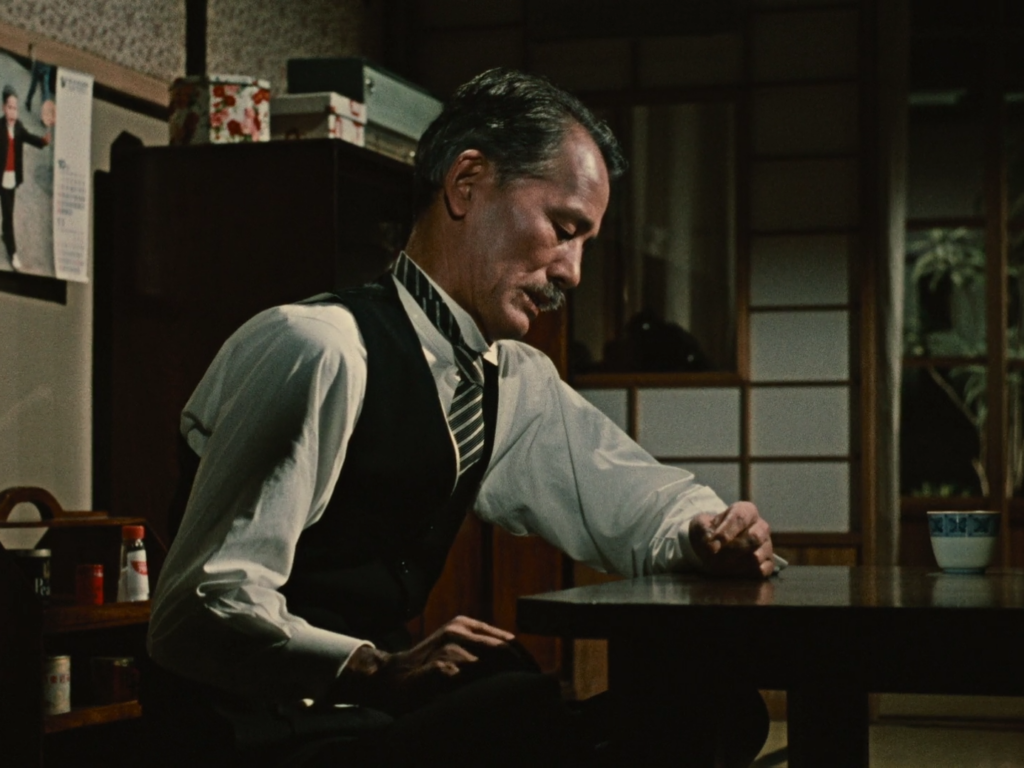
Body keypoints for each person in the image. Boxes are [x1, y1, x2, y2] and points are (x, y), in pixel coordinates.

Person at [146, 68, 774, 768]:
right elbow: (194, 612)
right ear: (467, 183)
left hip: (376, 715)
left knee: (714, 709)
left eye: (585, 243)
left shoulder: (507, 378)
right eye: (564, 229)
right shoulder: (318, 348)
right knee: (520, 709)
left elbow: (629, 499)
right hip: (261, 730)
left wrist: (704, 532)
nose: (572, 272)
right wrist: (373, 668)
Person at [1, 85, 50, 271]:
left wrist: (43, 142)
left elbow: (31, 138)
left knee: (8, 214)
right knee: (6, 214)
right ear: (4, 108)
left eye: (16, 107)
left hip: (10, 179)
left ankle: (10, 245)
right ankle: (9, 242)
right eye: (10, 107)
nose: (13, 111)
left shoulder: (19, 128)